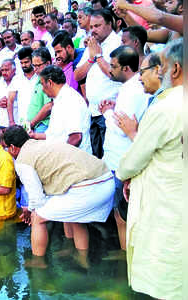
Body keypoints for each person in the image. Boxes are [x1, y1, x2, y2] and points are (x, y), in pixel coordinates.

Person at [116, 39, 183, 300]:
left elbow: (134, 159)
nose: (153, 74)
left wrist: (123, 175)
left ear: (174, 70)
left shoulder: (165, 107)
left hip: (165, 200)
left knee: (163, 268)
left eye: (158, 68)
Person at [4, 126, 114, 268]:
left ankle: (38, 262)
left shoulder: (23, 160)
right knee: (74, 216)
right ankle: (80, 257)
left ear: (12, 147)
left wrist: (29, 210)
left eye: (6, 148)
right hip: (105, 180)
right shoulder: (41, 144)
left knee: (38, 218)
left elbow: (37, 199)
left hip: (88, 189)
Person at [99, 45, 149, 251]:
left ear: (126, 68)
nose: (110, 70)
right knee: (121, 214)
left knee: (122, 216)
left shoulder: (133, 90)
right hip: (119, 160)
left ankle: (125, 259)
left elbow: (123, 128)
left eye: (113, 66)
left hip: (122, 160)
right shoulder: (131, 88)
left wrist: (107, 113)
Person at [74, 9, 122, 159]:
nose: (93, 30)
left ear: (109, 24)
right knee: (97, 157)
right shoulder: (93, 44)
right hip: (93, 111)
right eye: (92, 26)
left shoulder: (118, 43)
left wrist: (98, 56)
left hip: (109, 110)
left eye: (98, 26)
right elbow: (77, 75)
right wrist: (91, 58)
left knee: (110, 157)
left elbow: (114, 74)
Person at [30, 65, 92, 154]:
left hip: (74, 160)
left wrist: (60, 157)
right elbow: (55, 136)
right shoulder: (60, 99)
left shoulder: (69, 99)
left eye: (43, 84)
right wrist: (34, 135)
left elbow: (76, 137)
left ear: (50, 83)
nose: (42, 90)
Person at [113, 53, 162, 141]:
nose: (139, 79)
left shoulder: (165, 103)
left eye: (142, 73)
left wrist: (132, 133)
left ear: (157, 70)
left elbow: (150, 147)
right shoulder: (155, 98)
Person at [8, 47, 37, 126]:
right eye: (21, 63)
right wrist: (11, 121)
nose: (24, 65)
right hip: (22, 122)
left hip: (40, 122)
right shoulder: (17, 79)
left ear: (32, 60)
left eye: (26, 62)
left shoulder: (39, 76)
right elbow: (10, 100)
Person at [27, 47, 52, 133]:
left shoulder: (49, 80)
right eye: (34, 65)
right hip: (37, 125)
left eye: (38, 65)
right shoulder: (40, 78)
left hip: (44, 125)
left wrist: (32, 123)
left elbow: (49, 106)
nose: (35, 69)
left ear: (48, 63)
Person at [0, 59, 19, 127]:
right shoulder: (0, 83)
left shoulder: (20, 81)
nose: (4, 73)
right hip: (4, 123)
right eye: (2, 70)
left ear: (14, 70)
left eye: (7, 70)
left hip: (18, 123)